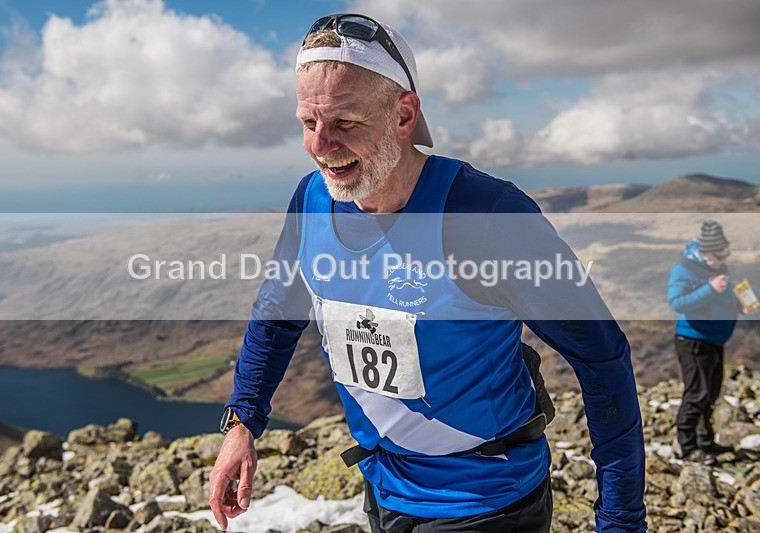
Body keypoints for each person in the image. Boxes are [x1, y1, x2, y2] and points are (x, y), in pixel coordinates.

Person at [209, 14, 646, 532]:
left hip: (487, 501)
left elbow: (602, 356)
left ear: (403, 114)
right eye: (309, 123)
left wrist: (620, 520)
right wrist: (242, 423)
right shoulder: (311, 200)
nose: (321, 146)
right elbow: (277, 313)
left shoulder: (486, 215)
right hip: (386, 489)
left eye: (345, 122)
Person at [668, 220, 755, 464]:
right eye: (720, 254)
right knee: (697, 393)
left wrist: (740, 306)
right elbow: (677, 303)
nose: (724, 258)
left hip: (714, 340)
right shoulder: (683, 269)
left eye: (726, 252)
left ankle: (706, 443)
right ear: (705, 254)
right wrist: (709, 288)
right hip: (694, 340)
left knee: (711, 393)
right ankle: (687, 448)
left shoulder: (718, 265)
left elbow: (721, 299)